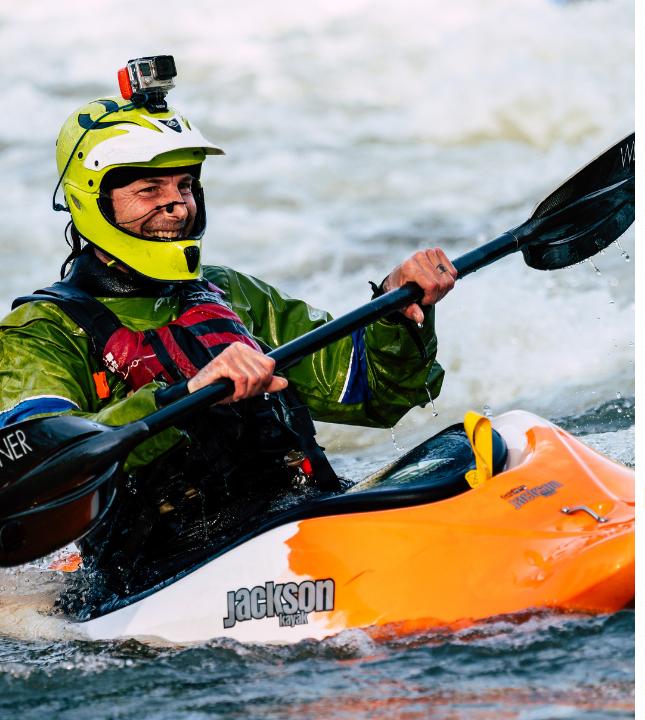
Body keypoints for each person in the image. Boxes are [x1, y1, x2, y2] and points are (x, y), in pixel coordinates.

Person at [0, 95, 456, 602]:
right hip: (164, 578)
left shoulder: (229, 292)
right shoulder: (41, 330)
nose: (177, 205)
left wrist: (396, 310)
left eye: (185, 185)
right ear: (93, 200)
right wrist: (184, 396)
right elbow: (39, 465)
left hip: (304, 520)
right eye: (149, 189)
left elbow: (376, 395)